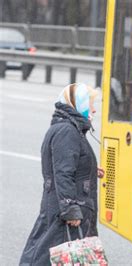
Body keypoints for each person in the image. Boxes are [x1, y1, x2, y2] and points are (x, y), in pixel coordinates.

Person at [20, 83, 103, 265]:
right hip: (66, 210)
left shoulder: (68, 128)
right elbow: (62, 174)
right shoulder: (67, 131)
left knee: (54, 254)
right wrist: (70, 210)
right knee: (50, 256)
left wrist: (89, 169)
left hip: (64, 206)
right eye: (90, 104)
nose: (94, 110)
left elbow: (66, 165)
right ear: (78, 103)